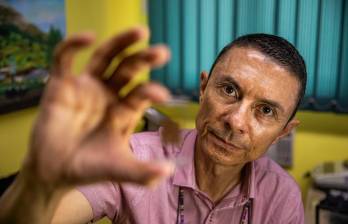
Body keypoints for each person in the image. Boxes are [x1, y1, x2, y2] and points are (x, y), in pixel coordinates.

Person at [0, 26, 307, 224]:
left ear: (283, 131)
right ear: (203, 89)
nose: (236, 121)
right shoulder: (130, 158)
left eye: (265, 110)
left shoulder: (282, 196)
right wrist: (38, 179)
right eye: (229, 90)